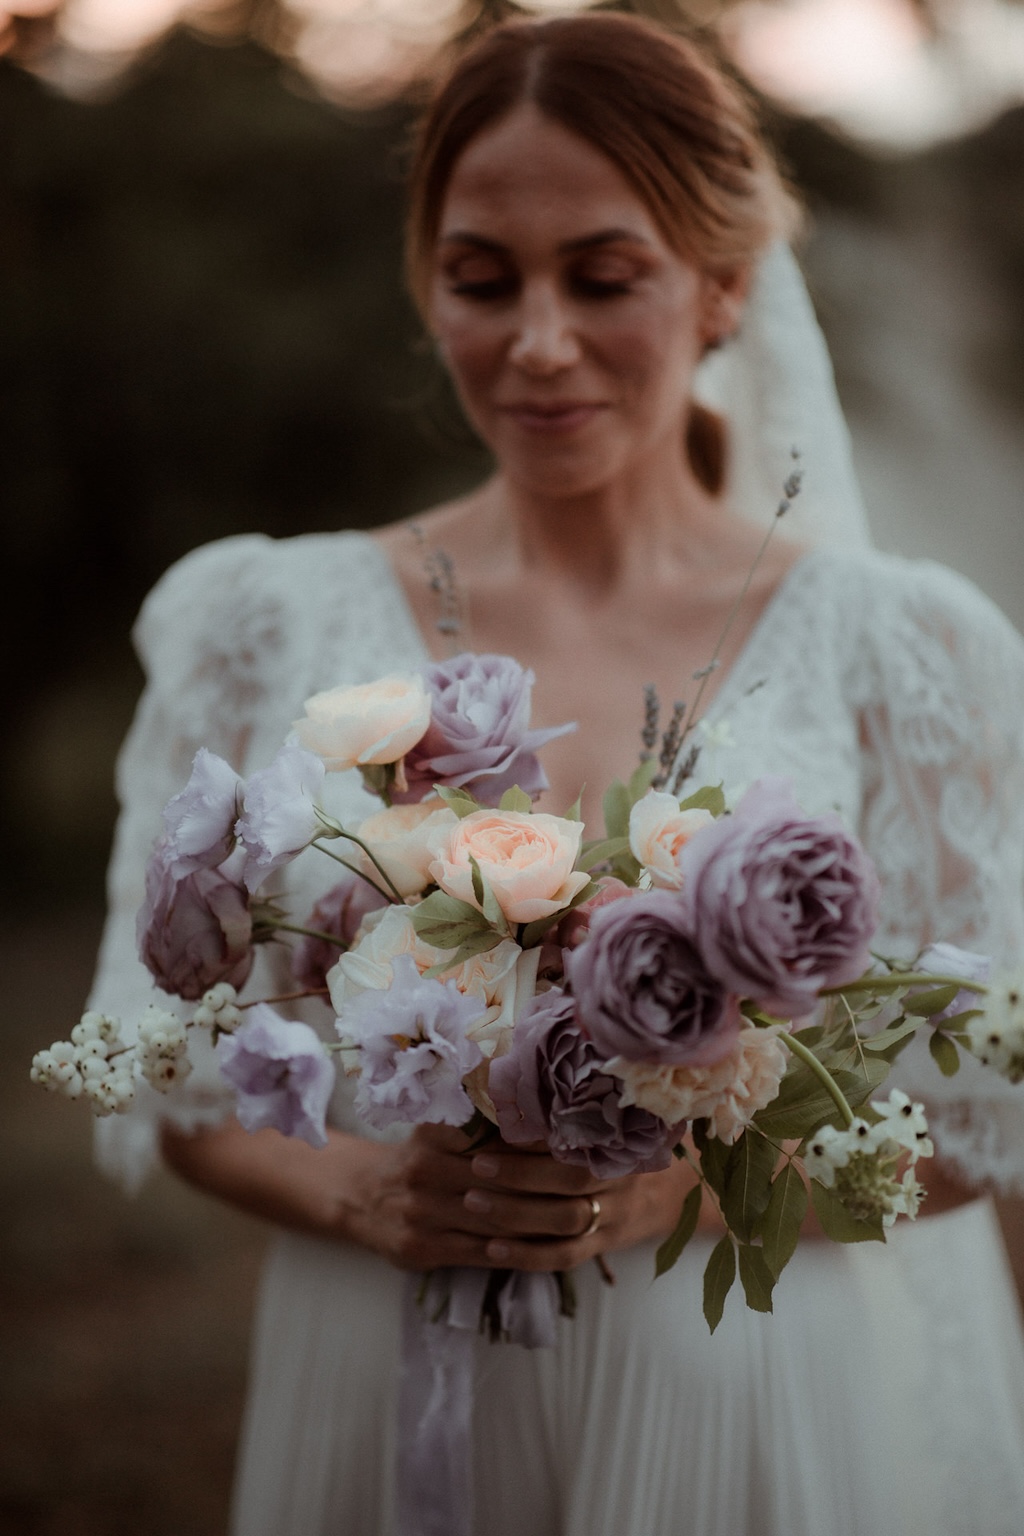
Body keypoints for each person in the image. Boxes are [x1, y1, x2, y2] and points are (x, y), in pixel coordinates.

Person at [88, 13, 1024, 1535]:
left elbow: (976, 1119)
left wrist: (691, 1193)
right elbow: (174, 1072)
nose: (536, 340)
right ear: (426, 287)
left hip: (745, 1398)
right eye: (480, 279)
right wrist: (373, 1196)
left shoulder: (906, 646)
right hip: (379, 1364)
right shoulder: (264, 619)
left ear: (723, 287)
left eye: (601, 276)